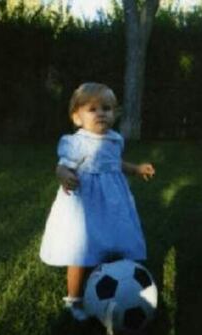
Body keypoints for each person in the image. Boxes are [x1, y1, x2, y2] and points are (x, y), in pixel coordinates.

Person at [39, 82, 155, 321]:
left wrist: (135, 169)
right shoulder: (76, 142)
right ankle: (73, 299)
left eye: (107, 108)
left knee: (116, 240)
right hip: (86, 204)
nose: (101, 113)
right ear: (77, 117)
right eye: (92, 109)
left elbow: (115, 164)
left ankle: (122, 287)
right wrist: (64, 175)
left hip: (113, 202)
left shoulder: (114, 139)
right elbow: (61, 165)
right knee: (80, 250)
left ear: (114, 113)